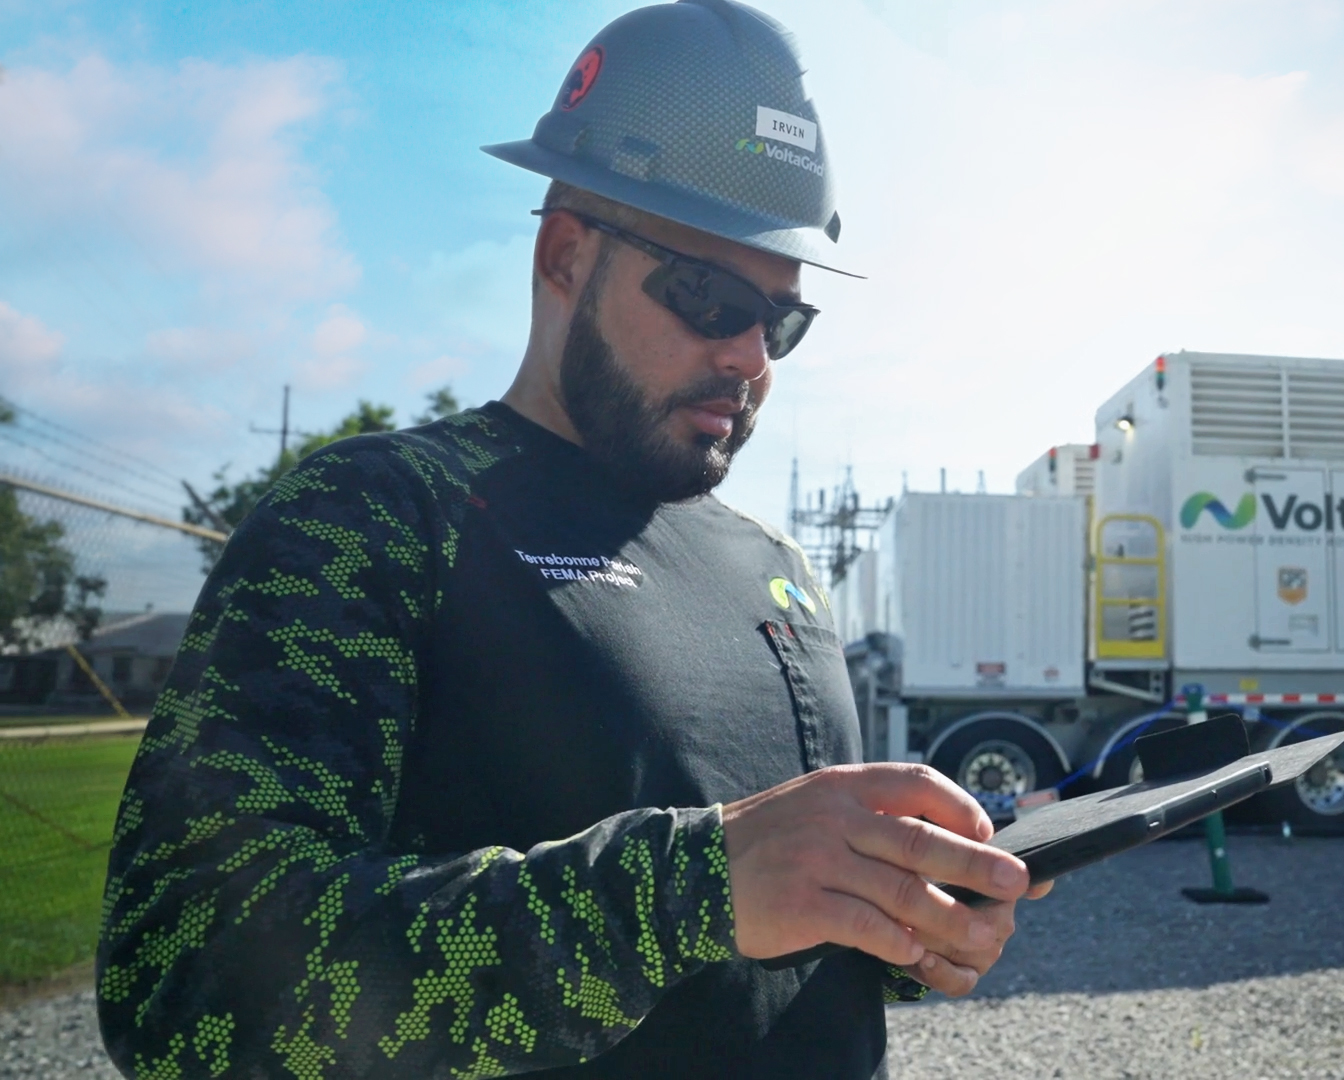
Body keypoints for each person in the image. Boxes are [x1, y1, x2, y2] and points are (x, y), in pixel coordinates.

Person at [96, 2, 1044, 1076]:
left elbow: (775, 945)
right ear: (563, 255)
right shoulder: (378, 519)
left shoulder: (779, 574)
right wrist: (689, 889)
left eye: (780, 318)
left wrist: (915, 908)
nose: (749, 356)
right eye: (708, 296)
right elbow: (184, 987)